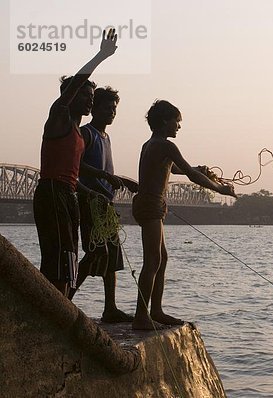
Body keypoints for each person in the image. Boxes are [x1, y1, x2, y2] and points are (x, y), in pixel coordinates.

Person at [131, 100, 237, 330]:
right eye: (176, 122)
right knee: (153, 261)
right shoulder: (166, 146)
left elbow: (176, 168)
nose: (178, 126)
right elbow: (189, 175)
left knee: (162, 259)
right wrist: (221, 189)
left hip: (149, 205)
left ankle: (156, 310)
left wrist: (199, 169)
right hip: (150, 206)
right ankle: (141, 316)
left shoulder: (151, 144)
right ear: (164, 122)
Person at [34, 29, 120, 297]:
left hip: (69, 194)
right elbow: (76, 83)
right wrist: (101, 55)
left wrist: (92, 192)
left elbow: (73, 175)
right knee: (58, 256)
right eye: (85, 95)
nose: (90, 99)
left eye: (91, 96)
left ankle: (62, 304)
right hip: (51, 193)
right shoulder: (59, 118)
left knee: (69, 255)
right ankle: (52, 311)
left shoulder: (78, 135)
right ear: (71, 97)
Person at [68, 86, 139, 323]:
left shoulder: (106, 137)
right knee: (97, 253)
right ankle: (66, 297)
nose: (112, 112)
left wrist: (126, 182)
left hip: (106, 204)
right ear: (95, 109)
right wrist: (105, 177)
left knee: (112, 257)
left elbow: (107, 170)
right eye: (107, 108)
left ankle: (110, 308)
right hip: (90, 202)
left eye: (114, 108)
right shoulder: (87, 133)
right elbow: (76, 164)